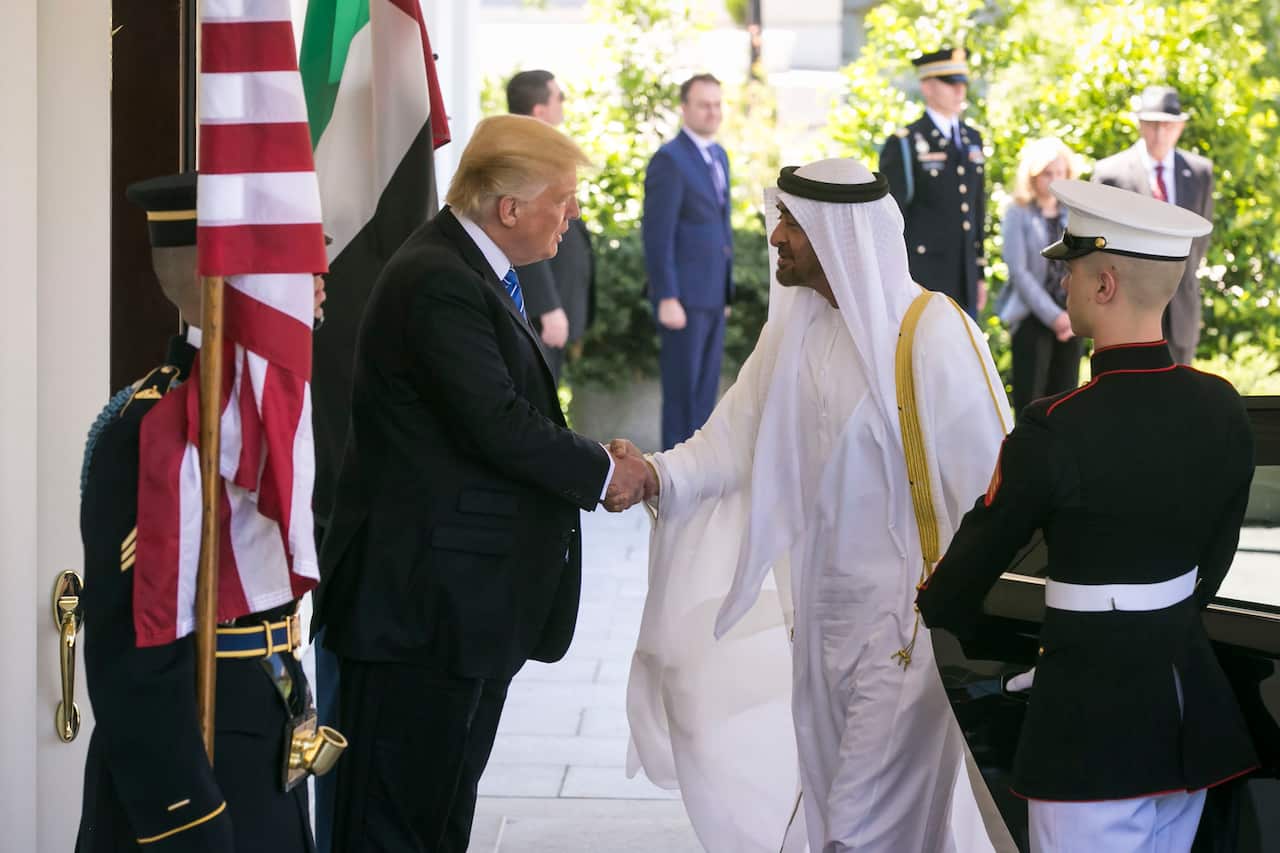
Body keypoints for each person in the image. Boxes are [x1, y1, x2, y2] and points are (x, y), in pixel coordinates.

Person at [615, 158, 1016, 852]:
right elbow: (730, 439)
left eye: (794, 223)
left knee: (860, 829)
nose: (777, 237)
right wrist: (651, 475)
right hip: (821, 620)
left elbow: (994, 488)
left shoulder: (934, 332)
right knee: (839, 814)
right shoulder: (791, 333)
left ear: (842, 233)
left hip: (909, 627)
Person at [312, 114, 651, 852]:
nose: (573, 215)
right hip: (415, 611)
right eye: (563, 198)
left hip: (455, 611)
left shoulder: (469, 271)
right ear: (510, 209)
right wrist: (603, 469)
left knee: (437, 813)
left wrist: (595, 454)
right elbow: (495, 421)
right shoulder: (438, 279)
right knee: (390, 823)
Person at [918, 179, 1257, 853]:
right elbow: (1211, 562)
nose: (1061, 279)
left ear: (1104, 284)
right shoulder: (1221, 407)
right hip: (1189, 710)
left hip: (1091, 725)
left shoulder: (1055, 427)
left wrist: (949, 612)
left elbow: (962, 584)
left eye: (1069, 268)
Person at [76, 172, 328, 852]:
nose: (321, 282)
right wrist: (183, 812)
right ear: (235, 281)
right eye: (299, 263)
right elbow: (132, 645)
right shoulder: (152, 429)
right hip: (195, 753)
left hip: (261, 715)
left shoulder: (267, 410)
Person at [643, 73, 734, 449]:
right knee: (682, 397)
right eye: (703, 104)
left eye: (717, 104)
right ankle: (674, 481)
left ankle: (700, 475)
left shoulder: (719, 155)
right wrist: (666, 296)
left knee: (704, 397)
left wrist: (726, 295)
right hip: (682, 299)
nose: (712, 112)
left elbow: (719, 227)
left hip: (712, 296)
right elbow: (657, 233)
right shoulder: (670, 160)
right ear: (685, 108)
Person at [1092, 85, 1214, 364]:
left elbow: (1201, 237)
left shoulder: (1199, 172)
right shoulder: (1111, 173)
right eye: (1152, 124)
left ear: (1180, 127)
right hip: (1128, 308)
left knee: (1181, 398)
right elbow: (1100, 242)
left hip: (1182, 306)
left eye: (1167, 126)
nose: (1159, 134)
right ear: (1139, 124)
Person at [879, 47, 988, 317]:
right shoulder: (906, 143)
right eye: (950, 83)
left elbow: (977, 208)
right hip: (924, 277)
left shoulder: (972, 139)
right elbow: (892, 218)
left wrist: (979, 271)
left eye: (962, 83)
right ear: (927, 87)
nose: (959, 91)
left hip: (965, 277)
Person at [506, 69, 596, 382]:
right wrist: (547, 307)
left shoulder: (538, 151)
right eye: (559, 97)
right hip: (537, 312)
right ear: (539, 110)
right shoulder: (524, 156)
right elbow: (526, 233)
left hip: (550, 305)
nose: (564, 104)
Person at [999, 137, 1082, 411]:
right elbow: (1018, 271)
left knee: (1067, 398)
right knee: (1032, 402)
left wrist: (1069, 316)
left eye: (1060, 173)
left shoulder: (1075, 214)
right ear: (1033, 176)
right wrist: (1054, 317)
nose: (1054, 179)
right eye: (1048, 173)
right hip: (1032, 316)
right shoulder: (1017, 213)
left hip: (1072, 317)